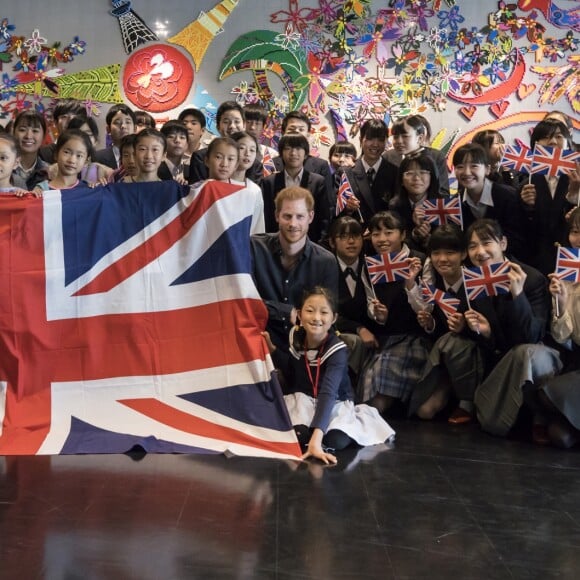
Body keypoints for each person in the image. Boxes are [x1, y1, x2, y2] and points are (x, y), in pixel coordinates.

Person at [262, 286, 395, 464]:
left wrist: (316, 441)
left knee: (335, 441)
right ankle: (312, 435)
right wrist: (274, 351)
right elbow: (292, 368)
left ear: (334, 318)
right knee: (299, 435)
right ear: (300, 315)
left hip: (334, 402)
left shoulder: (337, 350)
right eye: (310, 311)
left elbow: (328, 392)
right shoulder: (296, 338)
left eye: (324, 312)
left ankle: (321, 436)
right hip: (305, 399)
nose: (316, 317)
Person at [465, 220, 561, 441]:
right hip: (502, 362)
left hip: (541, 360)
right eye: (472, 246)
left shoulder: (531, 278)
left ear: (503, 243)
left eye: (487, 243)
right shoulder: (472, 282)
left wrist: (517, 296)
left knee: (527, 352)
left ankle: (540, 415)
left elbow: (533, 336)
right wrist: (486, 333)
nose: (480, 252)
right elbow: (487, 344)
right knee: (490, 423)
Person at [407, 225, 481, 423]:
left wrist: (466, 328)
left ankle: (468, 401)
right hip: (443, 358)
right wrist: (430, 324)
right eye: (436, 253)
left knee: (453, 341)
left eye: (450, 253)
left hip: (477, 357)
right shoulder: (433, 284)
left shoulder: (477, 283)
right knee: (424, 411)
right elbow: (435, 329)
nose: (442, 259)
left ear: (464, 254)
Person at [250, 186, 338, 350]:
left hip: (304, 350)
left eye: (300, 216)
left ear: (310, 217)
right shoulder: (254, 248)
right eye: (287, 216)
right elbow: (244, 302)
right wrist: (286, 312)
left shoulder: (326, 262)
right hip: (258, 343)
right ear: (277, 216)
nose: (293, 223)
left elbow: (327, 317)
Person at [360, 210, 430, 414]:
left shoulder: (420, 260)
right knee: (369, 377)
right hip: (385, 338)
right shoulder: (369, 265)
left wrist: (410, 284)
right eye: (376, 233)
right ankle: (367, 417)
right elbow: (369, 302)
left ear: (403, 234)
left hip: (413, 337)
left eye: (389, 232)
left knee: (382, 371)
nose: (382, 239)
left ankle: (370, 418)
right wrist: (378, 316)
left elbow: (427, 310)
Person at [538, 208, 580, 448]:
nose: (578, 238)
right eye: (575, 232)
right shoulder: (566, 275)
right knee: (559, 436)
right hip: (577, 361)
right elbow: (564, 336)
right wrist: (562, 304)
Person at [519, 118, 579, 276]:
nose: (552, 141)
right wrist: (527, 207)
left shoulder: (577, 179)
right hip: (536, 264)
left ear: (568, 143)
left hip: (571, 260)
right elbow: (520, 230)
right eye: (546, 137)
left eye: (559, 136)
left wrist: (574, 195)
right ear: (536, 145)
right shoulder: (526, 184)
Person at [327, 216, 378, 393]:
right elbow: (325, 311)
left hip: (375, 334)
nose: (351, 241)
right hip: (337, 331)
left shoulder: (372, 267)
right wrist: (358, 328)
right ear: (332, 242)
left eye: (355, 236)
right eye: (343, 237)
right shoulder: (325, 266)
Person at [453, 143, 527, 262]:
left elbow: (519, 239)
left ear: (487, 169)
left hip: (509, 265)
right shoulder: (455, 203)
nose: (466, 172)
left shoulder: (508, 196)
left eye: (474, 166)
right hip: (474, 268)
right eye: (460, 166)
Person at [261, 133, 329, 244]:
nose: (293, 153)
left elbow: (324, 217)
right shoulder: (269, 182)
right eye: (288, 148)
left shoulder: (318, 182)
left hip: (310, 243)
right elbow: (267, 217)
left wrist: (319, 244)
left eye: (298, 148)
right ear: (281, 153)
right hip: (276, 243)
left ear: (306, 154)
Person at [341, 119, 397, 225]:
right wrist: (347, 208)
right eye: (370, 139)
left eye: (380, 140)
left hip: (383, 234)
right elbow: (333, 209)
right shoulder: (345, 173)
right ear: (361, 139)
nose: (375, 144)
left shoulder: (395, 172)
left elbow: (398, 211)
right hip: (354, 234)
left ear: (386, 141)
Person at [389, 151, 443, 252]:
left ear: (432, 177)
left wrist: (428, 238)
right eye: (409, 173)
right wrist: (415, 233)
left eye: (422, 172)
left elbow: (450, 243)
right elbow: (395, 241)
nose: (416, 178)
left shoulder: (443, 205)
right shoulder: (395, 206)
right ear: (401, 180)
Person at [386, 114, 450, 195]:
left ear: (420, 138)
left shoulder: (436, 157)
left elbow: (443, 191)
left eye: (405, 136)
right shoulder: (388, 157)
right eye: (395, 137)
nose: (399, 141)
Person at [33, 129, 92, 193]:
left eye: (79, 156)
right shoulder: (41, 190)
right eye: (67, 152)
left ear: (86, 161)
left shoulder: (88, 189)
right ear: (56, 154)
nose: (72, 160)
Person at [230, 130, 265, 234]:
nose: (247, 154)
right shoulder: (217, 185)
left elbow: (258, 228)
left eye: (252, 150)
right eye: (241, 148)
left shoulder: (255, 190)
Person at [66, 116, 114, 184]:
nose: (82, 139)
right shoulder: (58, 169)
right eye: (77, 134)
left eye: (87, 134)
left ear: (95, 140)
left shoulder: (104, 171)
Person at [11, 110, 50, 191]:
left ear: (43, 136)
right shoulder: (3, 167)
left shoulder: (49, 172)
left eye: (35, 131)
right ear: (14, 133)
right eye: (22, 130)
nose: (28, 136)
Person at [39, 98, 87, 163]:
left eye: (75, 117)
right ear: (55, 122)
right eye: (64, 117)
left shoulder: (88, 153)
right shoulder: (44, 153)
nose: (70, 121)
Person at [92, 104, 136, 169]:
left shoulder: (142, 156)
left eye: (128, 122)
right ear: (108, 129)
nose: (123, 126)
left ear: (135, 128)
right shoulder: (97, 157)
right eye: (117, 122)